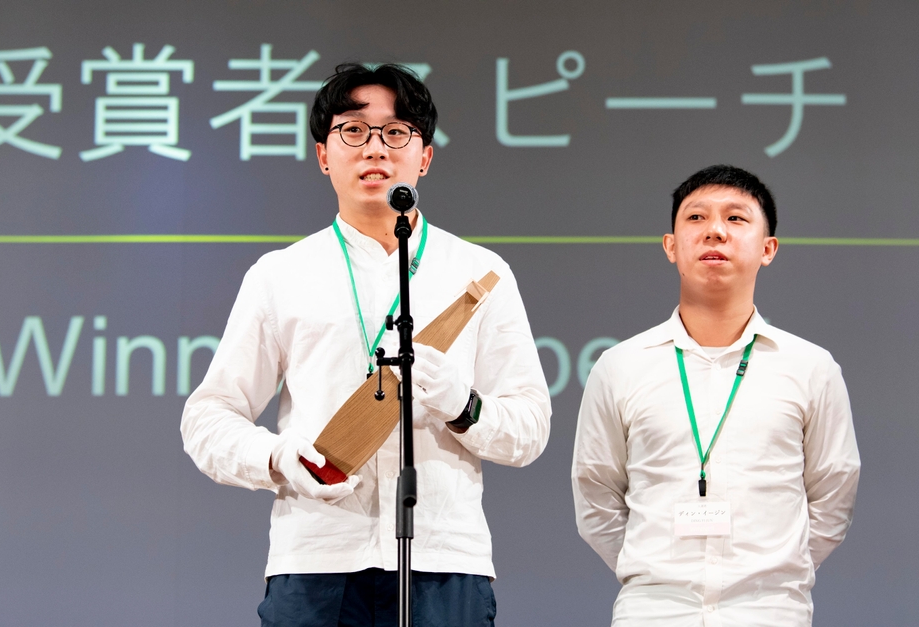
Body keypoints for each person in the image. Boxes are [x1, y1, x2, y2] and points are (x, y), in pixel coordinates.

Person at [181, 63, 551, 627]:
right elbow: (208, 417)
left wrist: (463, 405)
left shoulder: (480, 272)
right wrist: (276, 457)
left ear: (425, 156)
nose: (375, 147)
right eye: (353, 130)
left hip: (443, 561)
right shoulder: (280, 274)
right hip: (316, 559)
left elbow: (530, 427)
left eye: (396, 131)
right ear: (323, 155)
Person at [572, 164, 860, 626]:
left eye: (736, 218)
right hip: (653, 613)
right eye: (696, 217)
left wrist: (773, 571)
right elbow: (596, 494)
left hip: (770, 612)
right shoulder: (620, 366)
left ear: (768, 249)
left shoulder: (810, 367)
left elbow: (834, 493)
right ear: (671, 246)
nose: (715, 231)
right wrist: (657, 572)